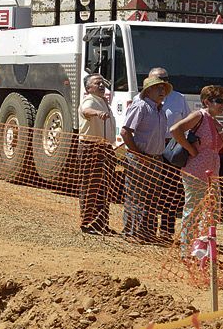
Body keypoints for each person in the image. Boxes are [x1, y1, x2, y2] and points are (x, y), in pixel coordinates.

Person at [170, 85, 223, 250]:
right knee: (193, 211)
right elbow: (175, 130)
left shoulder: (215, 122)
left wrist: (222, 130)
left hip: (212, 174)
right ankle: (186, 249)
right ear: (206, 102)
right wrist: (190, 149)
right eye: (220, 101)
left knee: (213, 213)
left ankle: (202, 250)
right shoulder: (199, 116)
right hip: (195, 172)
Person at [121, 75, 172, 243]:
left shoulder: (161, 111)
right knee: (136, 196)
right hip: (140, 158)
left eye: (164, 88)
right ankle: (132, 233)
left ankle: (147, 233)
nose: (162, 91)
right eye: (159, 88)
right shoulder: (141, 106)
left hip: (156, 159)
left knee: (152, 196)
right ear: (148, 90)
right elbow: (125, 132)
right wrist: (138, 154)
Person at [148, 67, 190, 238]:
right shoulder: (141, 98)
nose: (161, 82)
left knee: (171, 189)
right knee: (150, 189)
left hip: (171, 147)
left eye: (164, 78)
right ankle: (147, 229)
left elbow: (187, 123)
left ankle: (166, 230)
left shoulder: (179, 98)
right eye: (157, 79)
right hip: (150, 147)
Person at [78, 74, 116, 234]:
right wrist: (96, 113)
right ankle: (87, 223)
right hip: (91, 148)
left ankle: (101, 224)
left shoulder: (103, 101)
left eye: (102, 82)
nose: (101, 85)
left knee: (103, 188)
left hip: (105, 148)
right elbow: (86, 110)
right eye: (97, 83)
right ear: (88, 88)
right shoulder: (90, 99)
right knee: (91, 186)